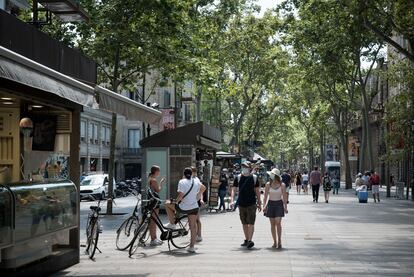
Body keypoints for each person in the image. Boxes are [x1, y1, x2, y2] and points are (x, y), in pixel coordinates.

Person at [231, 161, 261, 249]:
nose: (244, 168)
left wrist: (259, 202)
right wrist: (232, 201)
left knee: (251, 223)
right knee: (244, 223)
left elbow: (257, 191)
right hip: (241, 204)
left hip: (251, 203)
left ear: (249, 168)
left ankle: (250, 240)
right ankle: (247, 239)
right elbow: (233, 189)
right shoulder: (238, 177)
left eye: (246, 166)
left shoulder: (254, 178)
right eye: (243, 166)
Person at [263, 168, 288, 249]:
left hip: (279, 204)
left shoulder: (282, 185)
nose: (271, 176)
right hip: (271, 204)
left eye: (273, 175)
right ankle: (274, 241)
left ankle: (280, 241)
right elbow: (265, 196)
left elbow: (284, 197)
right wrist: (264, 206)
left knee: (278, 222)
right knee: (272, 224)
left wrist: (285, 207)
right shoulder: (268, 184)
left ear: (276, 176)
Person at [148, 165, 166, 246]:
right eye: (159, 171)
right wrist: (161, 183)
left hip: (151, 201)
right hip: (155, 202)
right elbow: (158, 190)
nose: (159, 173)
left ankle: (154, 238)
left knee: (153, 221)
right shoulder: (153, 180)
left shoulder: (149, 178)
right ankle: (153, 239)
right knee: (153, 221)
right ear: (156, 171)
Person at [193, 166, 206, 242]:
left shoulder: (196, 180)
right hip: (193, 201)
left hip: (196, 201)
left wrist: (200, 197)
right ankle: (196, 235)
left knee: (196, 219)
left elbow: (203, 188)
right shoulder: (192, 179)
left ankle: (199, 235)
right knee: (194, 220)